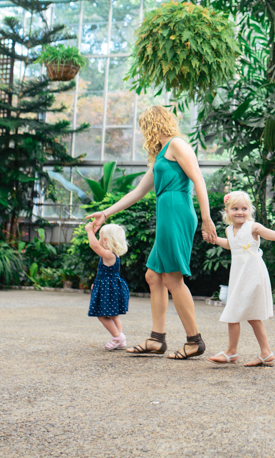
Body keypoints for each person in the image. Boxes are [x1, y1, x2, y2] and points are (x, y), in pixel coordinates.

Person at [85, 105, 217, 359]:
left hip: (177, 210)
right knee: (153, 276)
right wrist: (106, 213)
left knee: (172, 277)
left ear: (152, 124)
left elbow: (198, 179)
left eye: (144, 126)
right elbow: (138, 192)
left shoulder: (178, 144)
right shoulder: (161, 156)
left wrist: (207, 218)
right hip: (167, 211)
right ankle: (157, 339)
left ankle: (194, 340)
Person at [204, 191, 275, 367]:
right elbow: (232, 245)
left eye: (244, 208)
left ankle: (236, 352)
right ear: (227, 211)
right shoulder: (229, 230)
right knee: (243, 314)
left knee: (241, 312)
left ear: (250, 210)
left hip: (253, 274)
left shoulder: (253, 227)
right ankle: (262, 352)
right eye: (235, 208)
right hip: (239, 275)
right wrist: (216, 240)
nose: (240, 212)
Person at [84, 221, 130, 350]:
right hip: (109, 286)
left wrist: (89, 231)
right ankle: (121, 339)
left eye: (99, 237)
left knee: (101, 314)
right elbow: (104, 274)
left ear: (105, 240)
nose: (97, 240)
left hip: (109, 288)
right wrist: (97, 284)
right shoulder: (112, 254)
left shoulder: (109, 254)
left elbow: (95, 247)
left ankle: (117, 337)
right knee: (114, 315)